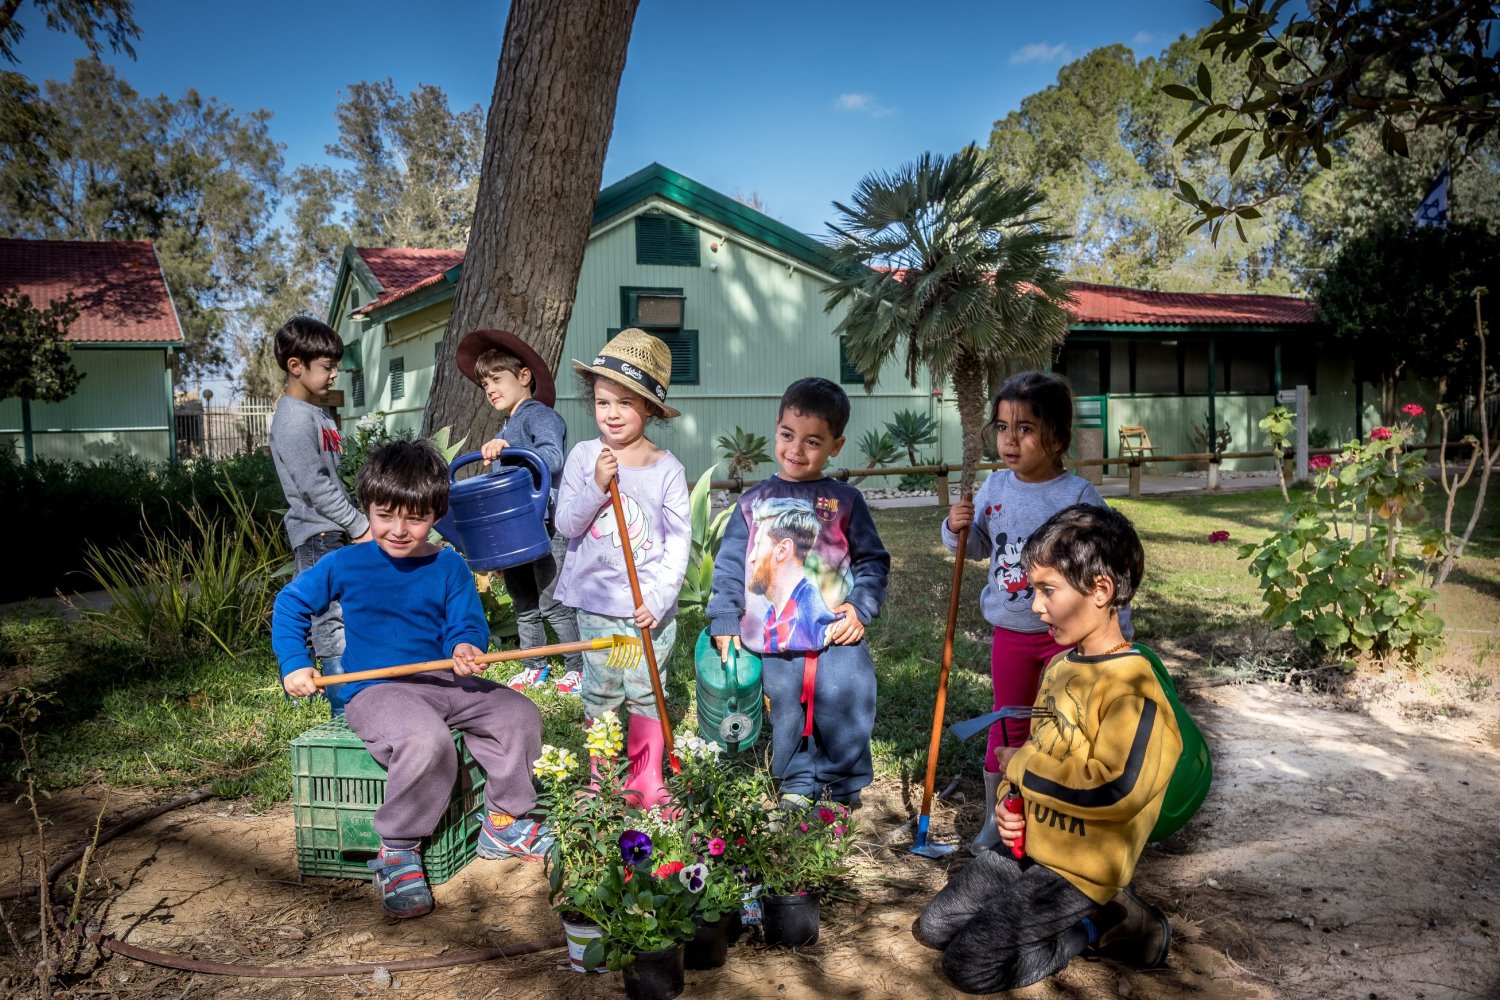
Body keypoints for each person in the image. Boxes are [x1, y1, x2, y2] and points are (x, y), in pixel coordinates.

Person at [273, 441, 551, 920]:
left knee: (518, 713)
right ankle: (398, 848)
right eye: (385, 515)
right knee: (426, 739)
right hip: (377, 691)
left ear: (437, 515)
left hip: (443, 682)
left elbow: (466, 623)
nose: (399, 530)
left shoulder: (448, 565)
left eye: (415, 518)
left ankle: (503, 821)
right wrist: (296, 663)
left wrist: (465, 647)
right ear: (367, 508)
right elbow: (290, 605)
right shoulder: (345, 563)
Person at [914, 503, 1181, 992]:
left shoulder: (1135, 690)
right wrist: (1015, 808)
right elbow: (1045, 747)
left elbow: (1116, 790)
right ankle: (1048, 914)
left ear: (1100, 591)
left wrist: (1024, 766)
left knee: (969, 965)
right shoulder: (1061, 668)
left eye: (1047, 590)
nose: (1035, 606)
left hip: (1081, 868)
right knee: (933, 929)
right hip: (1033, 847)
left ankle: (1103, 920)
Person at [942, 370, 1130, 850]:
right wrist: (955, 525)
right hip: (1010, 632)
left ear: (1057, 437)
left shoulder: (1078, 498)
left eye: (1025, 428)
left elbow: (1105, 570)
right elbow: (976, 547)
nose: (1010, 439)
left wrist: (1118, 635)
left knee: (1059, 725)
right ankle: (997, 817)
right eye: (1003, 427)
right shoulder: (995, 489)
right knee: (1006, 723)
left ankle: (1048, 819)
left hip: (1062, 637)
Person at [707, 377, 890, 810]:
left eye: (812, 441)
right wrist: (725, 617)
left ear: (835, 445)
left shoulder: (846, 500)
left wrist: (861, 607)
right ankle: (795, 781)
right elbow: (731, 562)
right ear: (777, 428)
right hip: (774, 640)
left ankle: (841, 787)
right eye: (787, 435)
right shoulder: (752, 501)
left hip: (836, 636)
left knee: (847, 705)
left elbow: (872, 560)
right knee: (785, 709)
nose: (795, 449)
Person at [552, 328, 690, 808]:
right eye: (602, 401)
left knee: (645, 688)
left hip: (643, 611)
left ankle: (646, 776)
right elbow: (567, 524)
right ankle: (603, 775)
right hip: (598, 606)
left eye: (625, 403)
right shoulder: (585, 456)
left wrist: (656, 600)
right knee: (603, 688)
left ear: (650, 408)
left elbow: (677, 544)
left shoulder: (666, 469)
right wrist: (595, 484)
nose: (611, 414)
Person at [455, 328, 582, 692]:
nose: (490, 389)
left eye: (497, 379)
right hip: (514, 531)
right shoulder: (509, 424)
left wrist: (507, 449)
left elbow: (553, 457)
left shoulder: (538, 416)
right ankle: (535, 665)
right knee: (523, 602)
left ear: (524, 377)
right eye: (485, 385)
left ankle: (579, 666)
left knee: (552, 601)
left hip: (543, 526)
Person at [267, 317, 370, 696]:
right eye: (326, 367)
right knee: (329, 617)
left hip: (333, 529)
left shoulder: (317, 413)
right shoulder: (292, 419)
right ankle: (342, 700)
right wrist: (358, 524)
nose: (333, 375)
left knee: (344, 612)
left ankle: (353, 691)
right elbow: (315, 486)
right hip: (317, 532)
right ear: (296, 366)